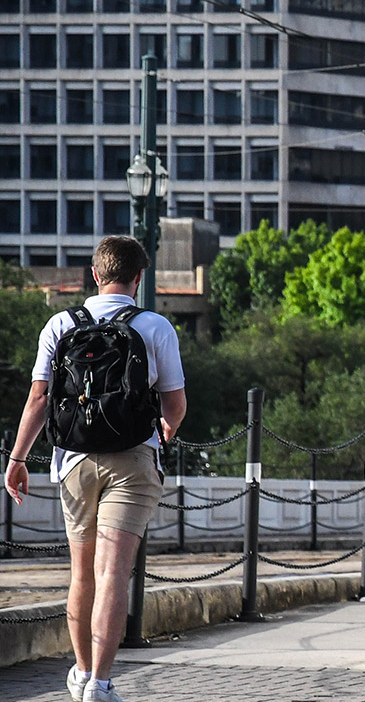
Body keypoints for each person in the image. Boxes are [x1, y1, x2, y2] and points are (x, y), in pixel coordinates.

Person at [6, 236, 186, 702]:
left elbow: (39, 399)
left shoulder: (60, 323)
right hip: (132, 460)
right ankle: (101, 686)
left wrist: (18, 458)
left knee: (81, 573)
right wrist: (164, 428)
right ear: (139, 277)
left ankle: (82, 673)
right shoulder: (155, 326)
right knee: (114, 573)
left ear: (94, 272)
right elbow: (175, 403)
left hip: (74, 462)